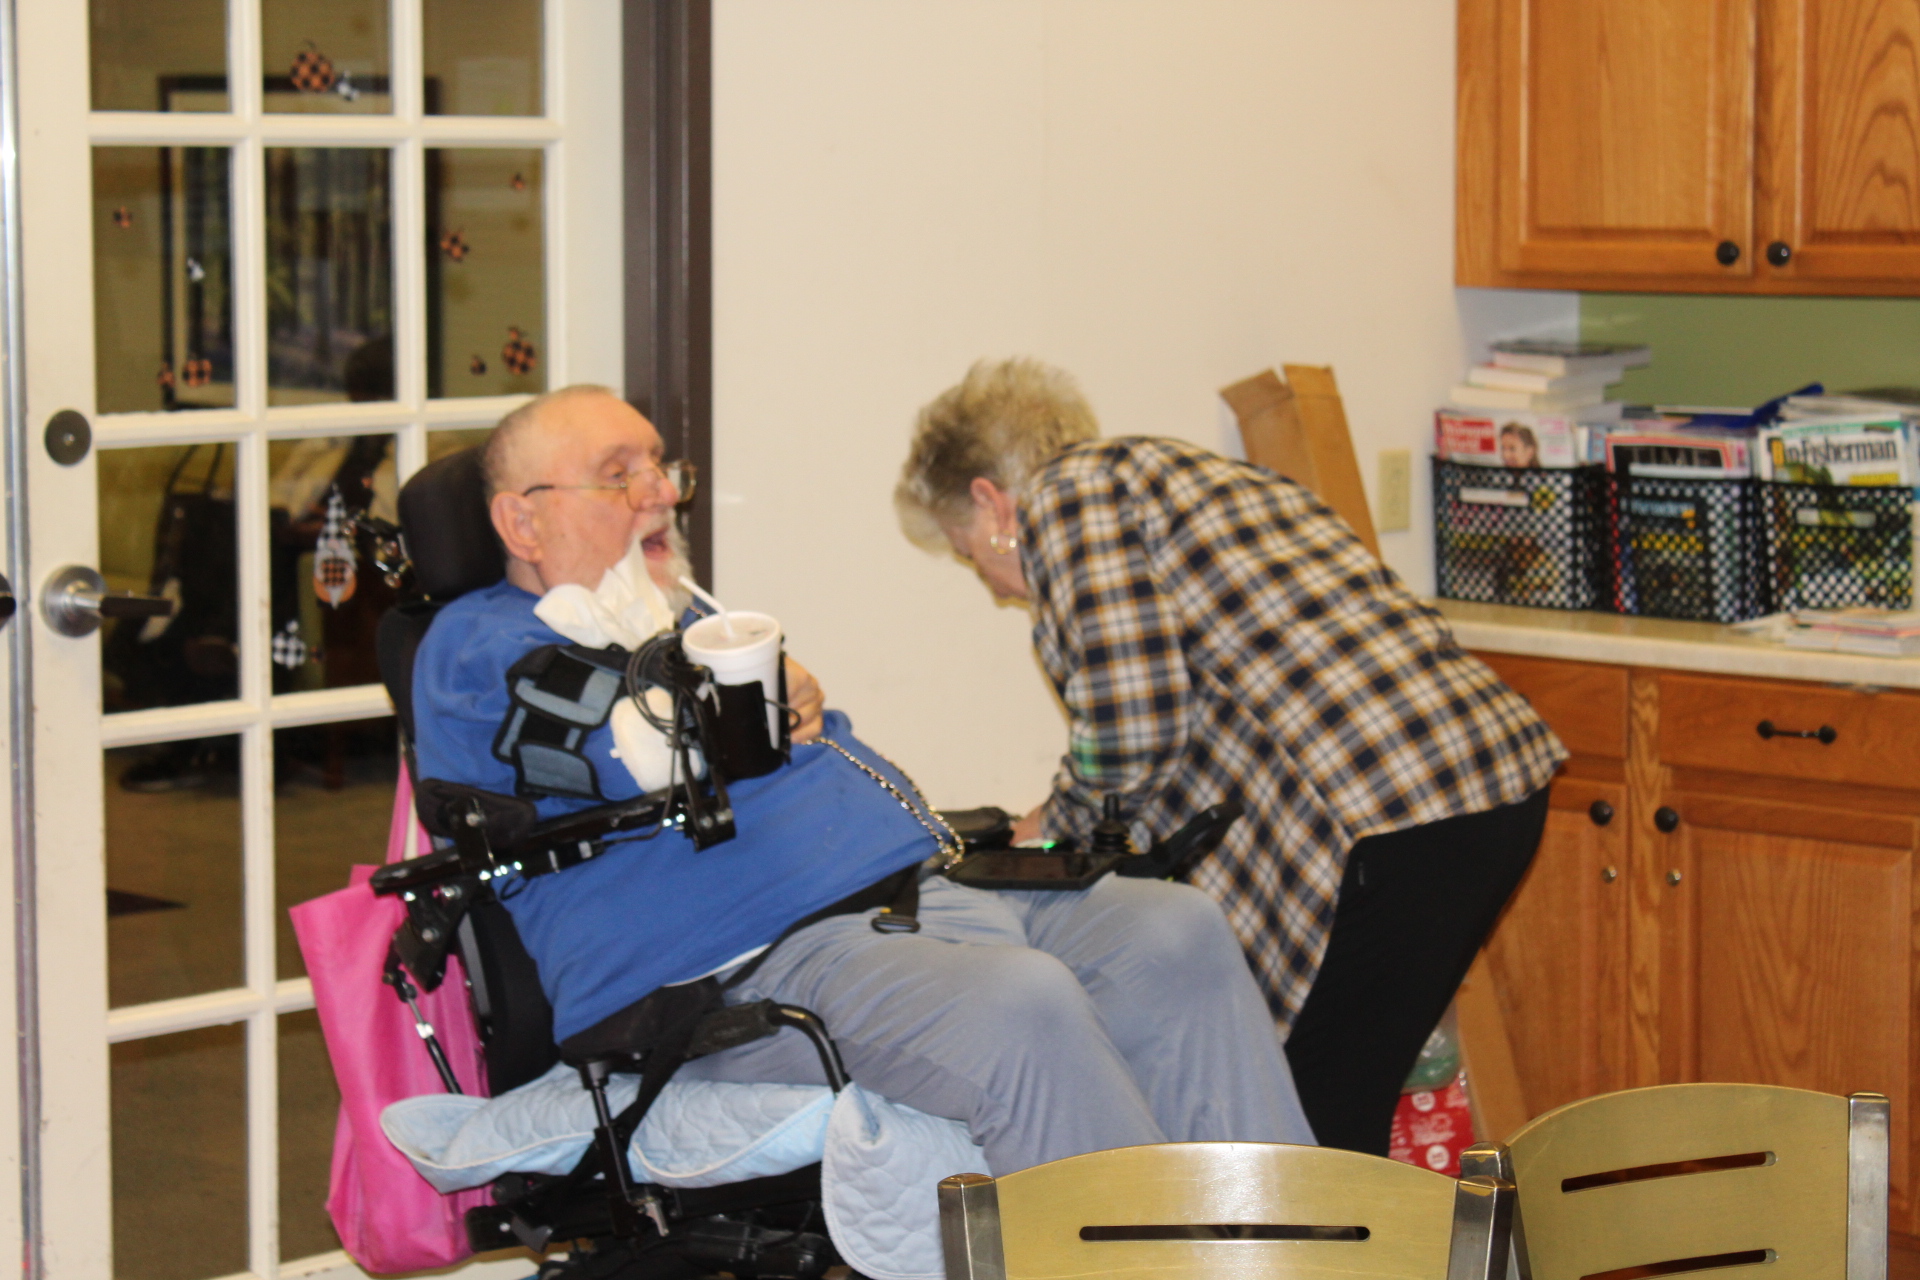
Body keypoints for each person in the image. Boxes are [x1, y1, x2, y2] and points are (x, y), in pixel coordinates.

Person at [410, 384, 1316, 1175]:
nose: (661, 493)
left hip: (910, 896)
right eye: (619, 475)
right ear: (521, 522)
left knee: (1172, 930)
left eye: (661, 468)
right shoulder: (477, 644)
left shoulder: (679, 621)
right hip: (739, 962)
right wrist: (735, 690)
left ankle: (1276, 1249)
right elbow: (627, 743)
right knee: (1018, 1003)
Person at [895, 358, 1566, 1155]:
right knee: (1335, 1096)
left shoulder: (1069, 496)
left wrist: (1050, 834)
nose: (999, 588)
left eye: (972, 553)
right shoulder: (1180, 474)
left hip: (1393, 809)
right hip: (1478, 785)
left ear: (991, 500)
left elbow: (1135, 719)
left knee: (1309, 1126)